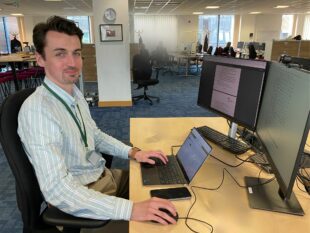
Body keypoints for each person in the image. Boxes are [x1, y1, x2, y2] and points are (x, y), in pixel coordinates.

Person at [17, 16, 177, 230]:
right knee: (162, 225)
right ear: (40, 58)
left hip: (104, 177)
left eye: (76, 53)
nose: (72, 63)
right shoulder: (38, 111)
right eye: (60, 54)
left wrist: (133, 152)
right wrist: (131, 209)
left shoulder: (73, 93)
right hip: (83, 201)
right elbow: (58, 190)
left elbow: (95, 135)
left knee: (167, 186)